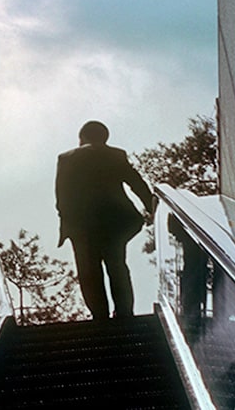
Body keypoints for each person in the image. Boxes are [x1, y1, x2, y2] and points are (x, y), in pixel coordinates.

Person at [56, 120, 153, 320]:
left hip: (82, 226)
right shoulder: (116, 155)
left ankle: (99, 316)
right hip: (116, 222)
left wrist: (66, 224)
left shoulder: (66, 158)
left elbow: (62, 196)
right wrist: (152, 208)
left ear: (81, 138)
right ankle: (124, 313)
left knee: (88, 271)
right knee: (117, 265)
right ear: (105, 138)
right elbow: (136, 182)